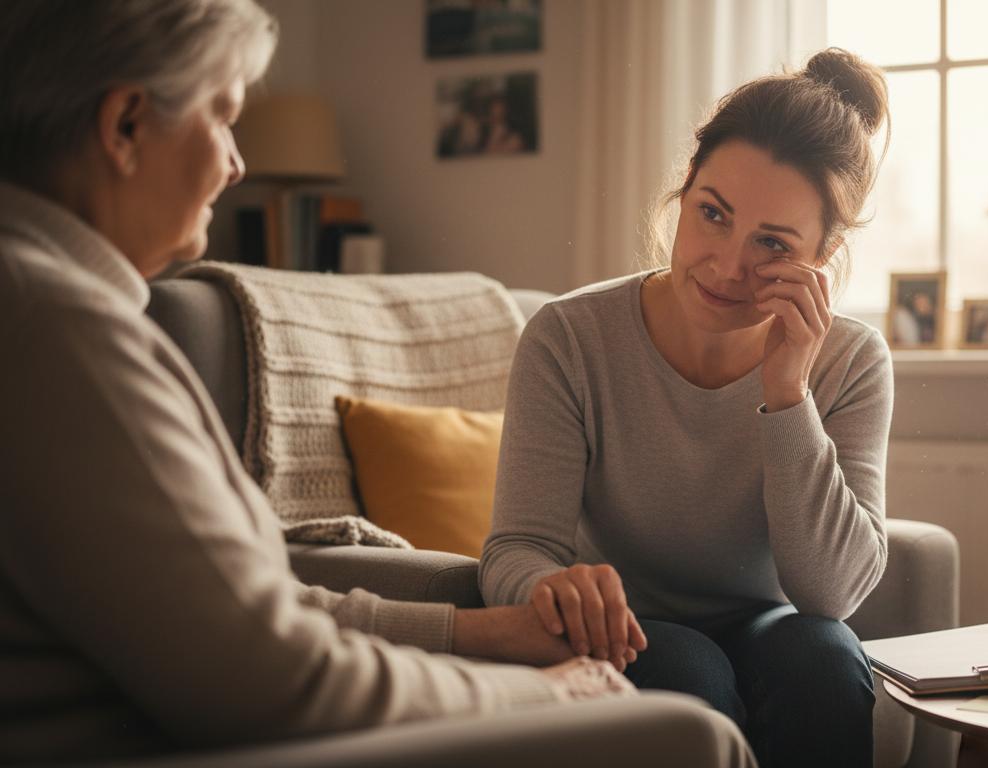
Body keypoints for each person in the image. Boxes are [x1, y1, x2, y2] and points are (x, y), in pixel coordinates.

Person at [0, 2, 753, 766]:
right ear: (126, 125)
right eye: (223, 118)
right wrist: (550, 694)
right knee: (693, 737)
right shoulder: (60, 337)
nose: (235, 163)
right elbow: (281, 680)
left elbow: (247, 613)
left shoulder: (53, 314)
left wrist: (479, 632)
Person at [480, 48, 894, 768]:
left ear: (821, 257)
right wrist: (558, 589)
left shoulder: (850, 360)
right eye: (712, 215)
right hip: (632, 629)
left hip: (772, 624)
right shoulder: (570, 337)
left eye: (772, 243)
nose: (728, 266)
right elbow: (515, 548)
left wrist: (788, 392)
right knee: (685, 669)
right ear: (683, 194)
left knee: (825, 656)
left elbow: (832, 593)